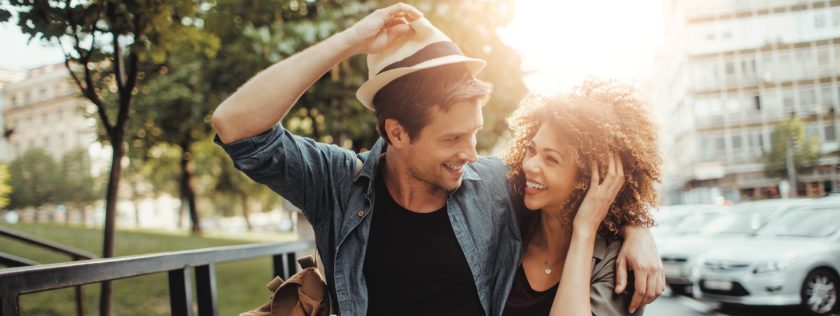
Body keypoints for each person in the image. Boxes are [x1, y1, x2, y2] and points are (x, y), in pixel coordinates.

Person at [212, 4, 663, 315]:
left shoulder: (489, 183)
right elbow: (236, 126)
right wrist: (348, 43)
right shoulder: (337, 183)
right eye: (453, 138)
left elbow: (570, 185)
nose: (470, 151)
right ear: (397, 133)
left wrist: (636, 226)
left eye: (474, 133)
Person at [501, 86, 661, 315]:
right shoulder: (508, 222)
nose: (529, 165)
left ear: (589, 179)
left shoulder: (619, 265)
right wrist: (637, 227)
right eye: (531, 150)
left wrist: (584, 230)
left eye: (551, 159)